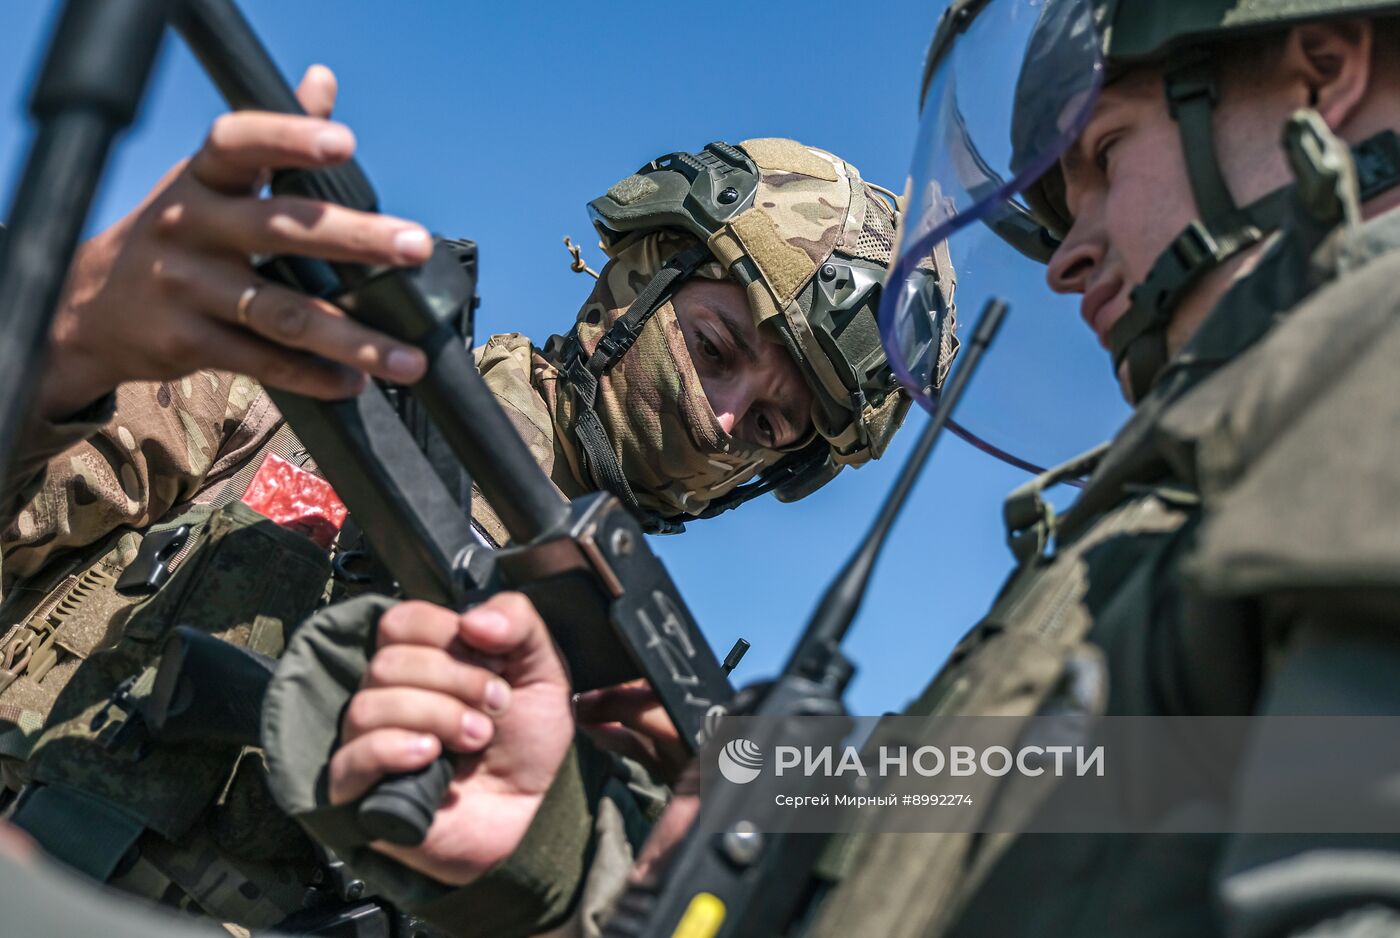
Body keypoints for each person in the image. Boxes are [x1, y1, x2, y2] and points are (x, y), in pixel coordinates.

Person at [287, 1, 1400, 936]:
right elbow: (1046, 817)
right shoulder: (1189, 494)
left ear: (1322, 78)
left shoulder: (1354, 400)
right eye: (717, 351)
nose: (1067, 252)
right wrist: (579, 835)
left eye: (1104, 154)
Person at [0, 57, 939, 931]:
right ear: (641, 272)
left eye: (773, 428)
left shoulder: (641, 689)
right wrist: (58, 352)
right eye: (715, 350)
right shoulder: (321, 378)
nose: (725, 420)